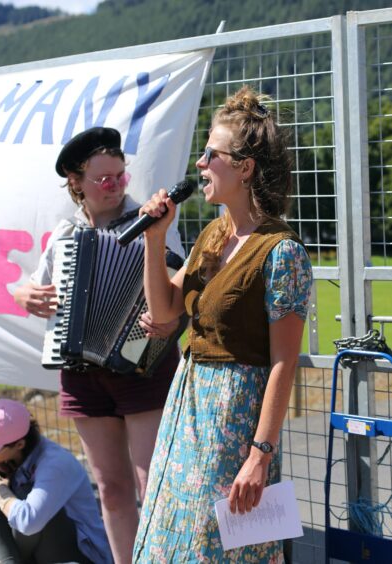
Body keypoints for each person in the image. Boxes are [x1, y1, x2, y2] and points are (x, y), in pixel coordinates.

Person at [132, 86, 313, 562]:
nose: (200, 164)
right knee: (172, 539)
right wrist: (155, 239)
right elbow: (169, 310)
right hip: (187, 406)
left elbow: (283, 363)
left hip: (233, 417)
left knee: (217, 547)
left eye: (211, 154)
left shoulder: (282, 252)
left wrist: (259, 454)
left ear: (245, 168)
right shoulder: (214, 234)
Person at [13, 127, 183, 564]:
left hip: (144, 364)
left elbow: (182, 288)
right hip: (82, 374)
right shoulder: (64, 234)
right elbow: (32, 287)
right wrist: (25, 294)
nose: (114, 186)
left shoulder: (154, 220)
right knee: (110, 486)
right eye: (102, 179)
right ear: (76, 183)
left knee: (154, 484)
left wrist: (166, 316)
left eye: (120, 176)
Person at [0, 398, 112, 564]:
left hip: (79, 555)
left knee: (22, 497)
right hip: (38, 548)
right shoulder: (13, 457)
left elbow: (28, 522)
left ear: (19, 444)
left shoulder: (55, 463)